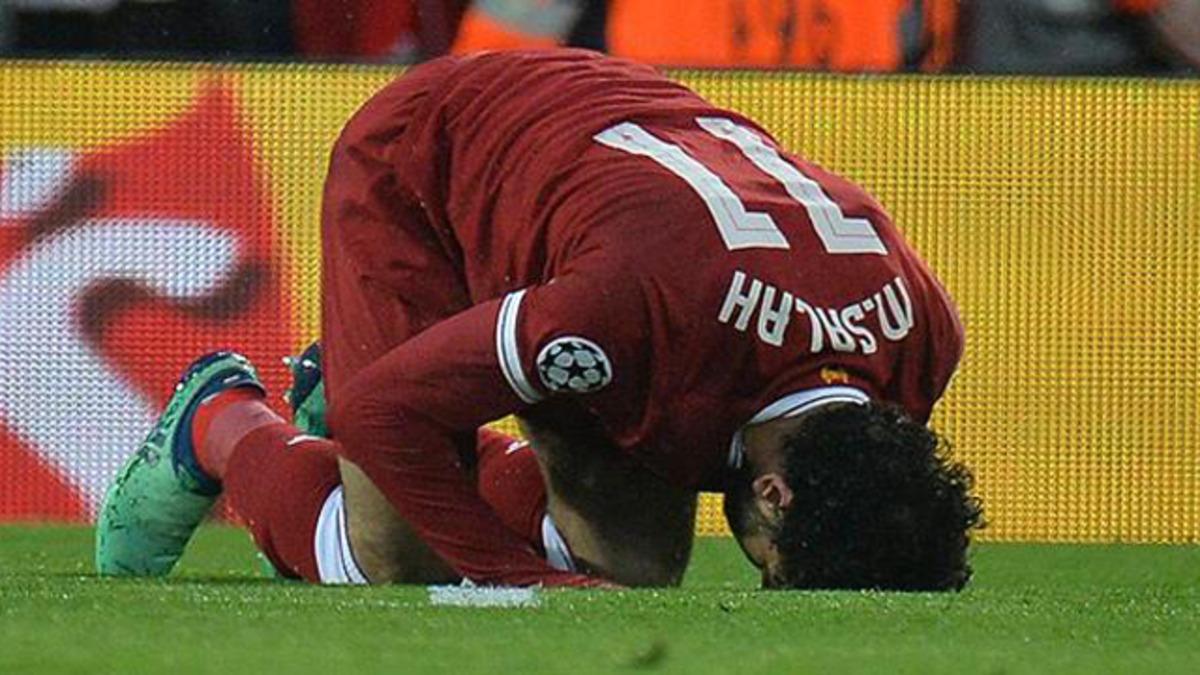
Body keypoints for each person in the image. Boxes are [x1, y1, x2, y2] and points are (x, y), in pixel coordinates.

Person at [96, 49, 981, 590]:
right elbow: (384, 412)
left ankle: (412, 381)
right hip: (431, 155)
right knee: (395, 559)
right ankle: (221, 419)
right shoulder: (626, 313)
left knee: (631, 571)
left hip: (614, 163)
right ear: (777, 495)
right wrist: (513, 578)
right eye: (773, 570)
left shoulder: (925, 335)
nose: (763, 576)